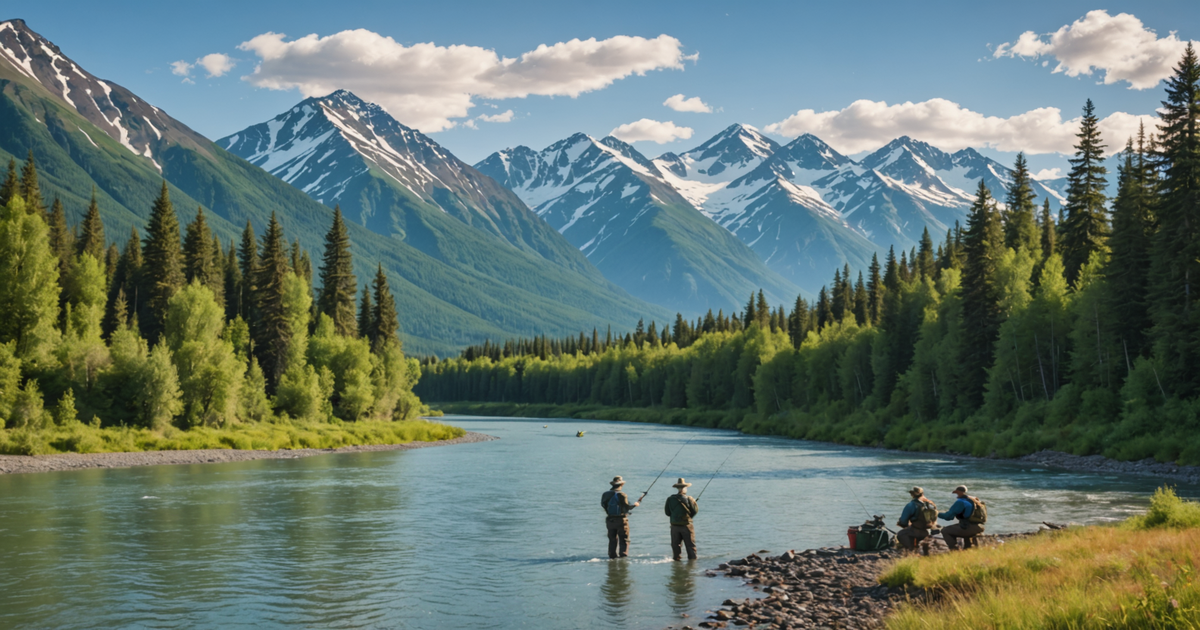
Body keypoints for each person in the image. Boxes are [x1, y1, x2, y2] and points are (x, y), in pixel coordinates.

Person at [602, 476, 640, 559]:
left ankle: (612, 555)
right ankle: (623, 556)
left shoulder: (605, 494)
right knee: (624, 538)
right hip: (621, 520)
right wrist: (636, 504)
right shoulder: (622, 495)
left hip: (610, 520)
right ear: (622, 484)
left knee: (612, 539)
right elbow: (627, 507)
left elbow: (603, 505)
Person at [938, 485, 986, 550]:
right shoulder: (974, 500)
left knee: (945, 530)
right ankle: (968, 548)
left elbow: (948, 517)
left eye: (956, 493)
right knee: (962, 529)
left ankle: (954, 550)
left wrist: (936, 513)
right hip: (979, 526)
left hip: (968, 527)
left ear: (959, 492)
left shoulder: (960, 502)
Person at [664, 478, 699, 561]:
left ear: (677, 488)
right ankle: (692, 564)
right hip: (686, 526)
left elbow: (667, 513)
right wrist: (689, 517)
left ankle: (677, 561)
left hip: (674, 526)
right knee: (690, 546)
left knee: (675, 545)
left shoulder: (670, 499)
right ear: (685, 488)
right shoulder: (689, 499)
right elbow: (695, 511)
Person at [896, 486, 938, 550]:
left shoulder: (911, 505)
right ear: (922, 494)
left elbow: (903, 522)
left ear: (912, 494)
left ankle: (911, 548)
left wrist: (902, 523)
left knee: (900, 534)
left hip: (916, 531)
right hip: (927, 531)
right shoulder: (929, 504)